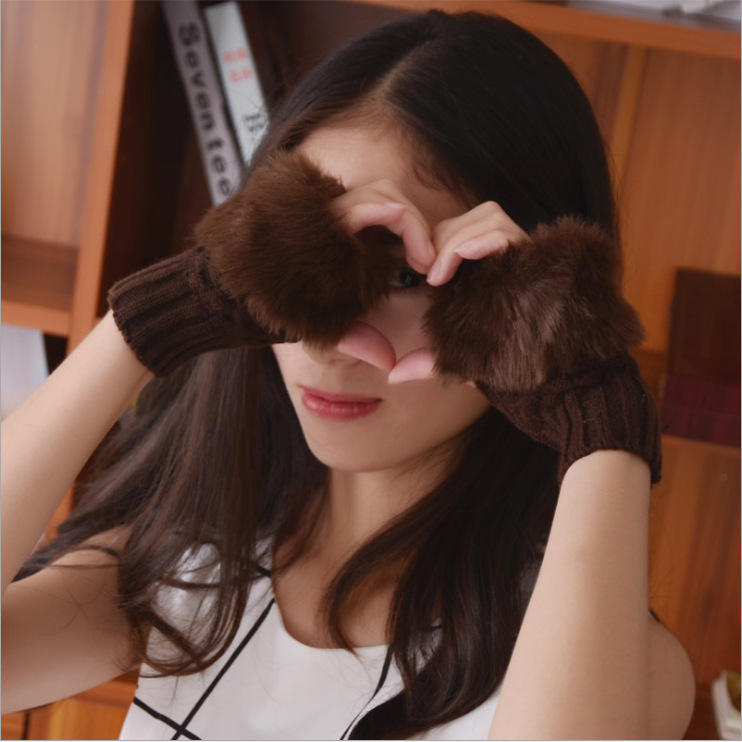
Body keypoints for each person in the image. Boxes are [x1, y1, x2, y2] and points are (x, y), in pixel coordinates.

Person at [1, 8, 695, 740]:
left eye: (403, 277)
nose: (327, 345)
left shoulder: (618, 664)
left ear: (524, 303)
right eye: (298, 267)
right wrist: (150, 321)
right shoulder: (189, 563)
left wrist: (600, 419)